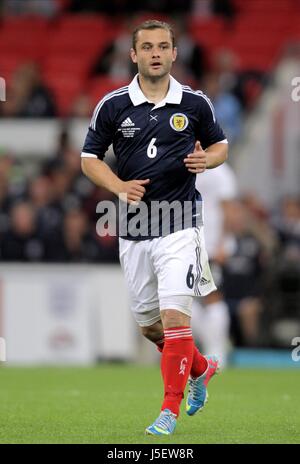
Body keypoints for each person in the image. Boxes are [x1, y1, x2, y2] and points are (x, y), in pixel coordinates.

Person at [81, 20, 228, 436]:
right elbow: (88, 158)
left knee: (175, 317)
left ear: (175, 53)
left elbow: (220, 145)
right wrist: (119, 186)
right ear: (133, 55)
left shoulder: (195, 104)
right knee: (149, 325)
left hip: (181, 224)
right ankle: (201, 368)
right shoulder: (112, 105)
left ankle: (168, 410)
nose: (156, 53)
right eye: (147, 47)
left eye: (163, 46)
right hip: (133, 228)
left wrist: (209, 160)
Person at [192, 162, 238, 368]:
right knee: (182, 299)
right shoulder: (185, 166)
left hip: (210, 246)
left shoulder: (220, 172)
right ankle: (212, 347)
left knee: (212, 297)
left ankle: (217, 352)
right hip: (185, 245)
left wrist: (223, 244)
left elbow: (229, 211)